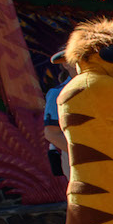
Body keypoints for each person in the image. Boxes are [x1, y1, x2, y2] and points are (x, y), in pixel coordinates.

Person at [43, 48, 79, 178]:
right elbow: (51, 133)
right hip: (79, 160)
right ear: (65, 63)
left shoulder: (101, 87)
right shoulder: (58, 93)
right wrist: (83, 155)